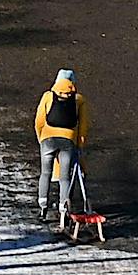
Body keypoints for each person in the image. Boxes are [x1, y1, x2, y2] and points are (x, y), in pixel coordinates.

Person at [34, 68, 90, 226]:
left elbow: (39, 120)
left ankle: (43, 208)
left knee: (45, 173)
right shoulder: (79, 99)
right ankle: (63, 210)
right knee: (65, 178)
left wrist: (41, 138)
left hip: (47, 139)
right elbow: (83, 126)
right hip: (68, 141)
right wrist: (79, 144)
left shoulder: (47, 96)